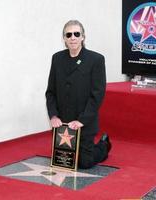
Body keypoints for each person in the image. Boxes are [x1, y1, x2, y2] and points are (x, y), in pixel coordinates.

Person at [45, 20, 111, 169]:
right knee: (64, 161)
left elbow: (98, 94)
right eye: (68, 34)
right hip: (63, 124)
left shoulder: (96, 60)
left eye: (76, 34)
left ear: (83, 37)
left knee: (84, 163)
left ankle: (104, 145)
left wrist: (82, 120)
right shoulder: (57, 58)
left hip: (83, 123)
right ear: (64, 39)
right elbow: (50, 92)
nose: (72, 37)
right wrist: (53, 116)